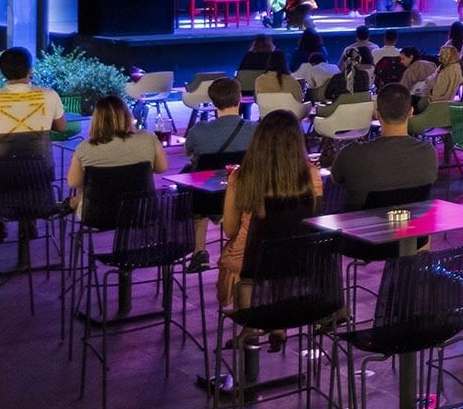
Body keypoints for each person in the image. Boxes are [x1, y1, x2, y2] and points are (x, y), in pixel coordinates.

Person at [217, 109, 325, 311]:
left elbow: (230, 230)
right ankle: (279, 327)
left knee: (239, 261)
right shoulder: (311, 175)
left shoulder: (241, 177)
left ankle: (251, 331)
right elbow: (315, 221)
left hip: (251, 260)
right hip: (299, 257)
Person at [0, 47, 67, 194]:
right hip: (39, 169)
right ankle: (30, 213)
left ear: (2, 71)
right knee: (29, 184)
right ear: (30, 70)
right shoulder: (50, 95)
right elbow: (61, 127)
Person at [182, 77, 255, 264]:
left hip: (207, 199)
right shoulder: (255, 130)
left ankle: (200, 250)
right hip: (244, 196)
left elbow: (188, 152)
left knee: (195, 176)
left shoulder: (198, 131)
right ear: (239, 98)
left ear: (213, 102)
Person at [330, 84, 437, 209]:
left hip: (362, 225)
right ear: (411, 112)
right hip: (414, 224)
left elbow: (335, 179)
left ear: (377, 114)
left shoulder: (351, 153)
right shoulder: (428, 152)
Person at [67, 96, 167, 222]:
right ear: (127, 116)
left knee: (83, 188)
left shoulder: (84, 148)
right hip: (141, 212)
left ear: (96, 120)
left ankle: (73, 203)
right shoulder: (148, 139)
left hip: (98, 216)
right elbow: (161, 168)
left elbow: (73, 183)